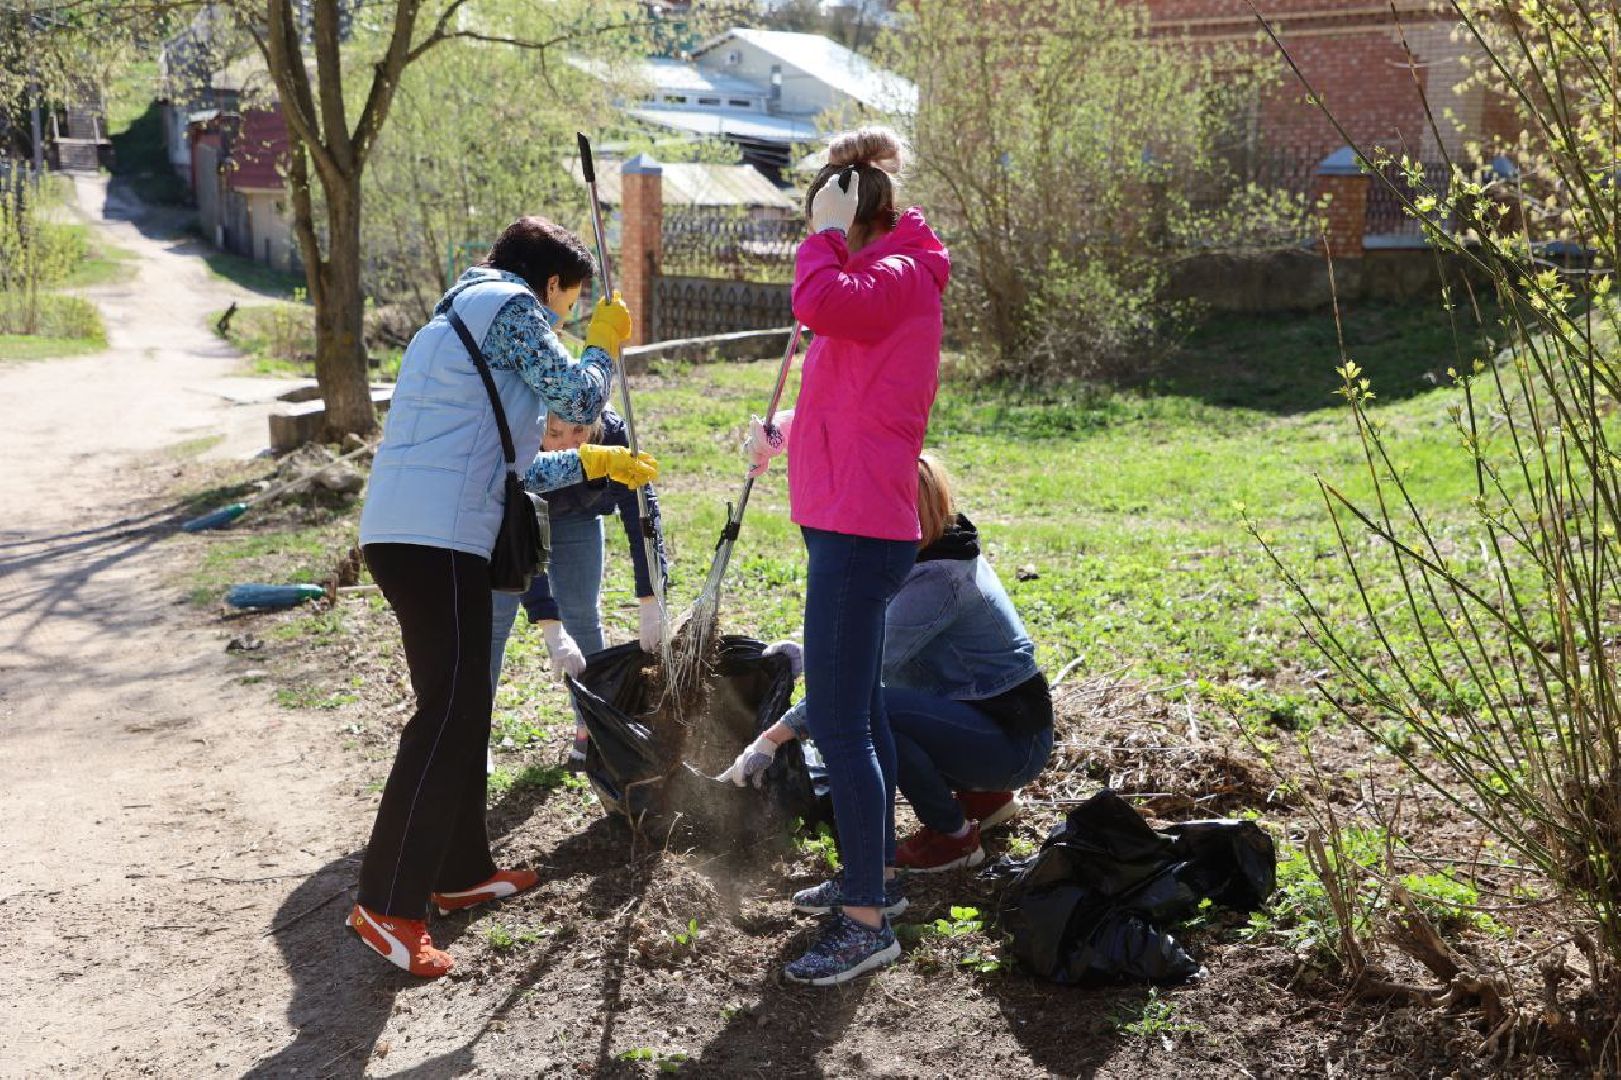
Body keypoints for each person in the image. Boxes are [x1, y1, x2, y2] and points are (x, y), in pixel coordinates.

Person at [350, 216, 658, 978]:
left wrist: (593, 462)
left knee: (463, 709)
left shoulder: (456, 321)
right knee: (446, 714)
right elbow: (581, 392)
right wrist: (602, 346)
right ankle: (387, 905)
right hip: (435, 535)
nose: (562, 322)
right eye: (569, 306)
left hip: (420, 528)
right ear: (550, 283)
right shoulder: (506, 307)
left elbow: (520, 469)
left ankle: (457, 875)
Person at [734, 126, 951, 986]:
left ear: (851, 213)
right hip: (842, 515)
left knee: (840, 718)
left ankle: (865, 919)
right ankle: (875, 882)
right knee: (857, 708)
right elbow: (849, 392)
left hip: (862, 529)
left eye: (829, 218)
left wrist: (820, 239)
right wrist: (781, 433)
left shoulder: (896, 272)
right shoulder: (875, 280)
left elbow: (823, 307)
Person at [721, 454, 1055, 876]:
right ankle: (986, 799)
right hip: (992, 723)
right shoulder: (942, 546)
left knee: (874, 714)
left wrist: (772, 737)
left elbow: (857, 676)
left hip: (1012, 743)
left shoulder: (939, 580)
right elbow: (873, 636)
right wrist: (807, 656)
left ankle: (953, 838)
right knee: (884, 705)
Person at [488, 405, 667, 769]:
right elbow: (518, 538)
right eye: (554, 435)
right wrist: (549, 627)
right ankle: (474, 735)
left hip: (578, 515)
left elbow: (640, 511)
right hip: (512, 515)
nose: (567, 447)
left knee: (583, 615)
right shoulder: (515, 429)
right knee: (494, 625)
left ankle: (593, 727)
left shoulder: (613, 431)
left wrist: (651, 598)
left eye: (579, 433)